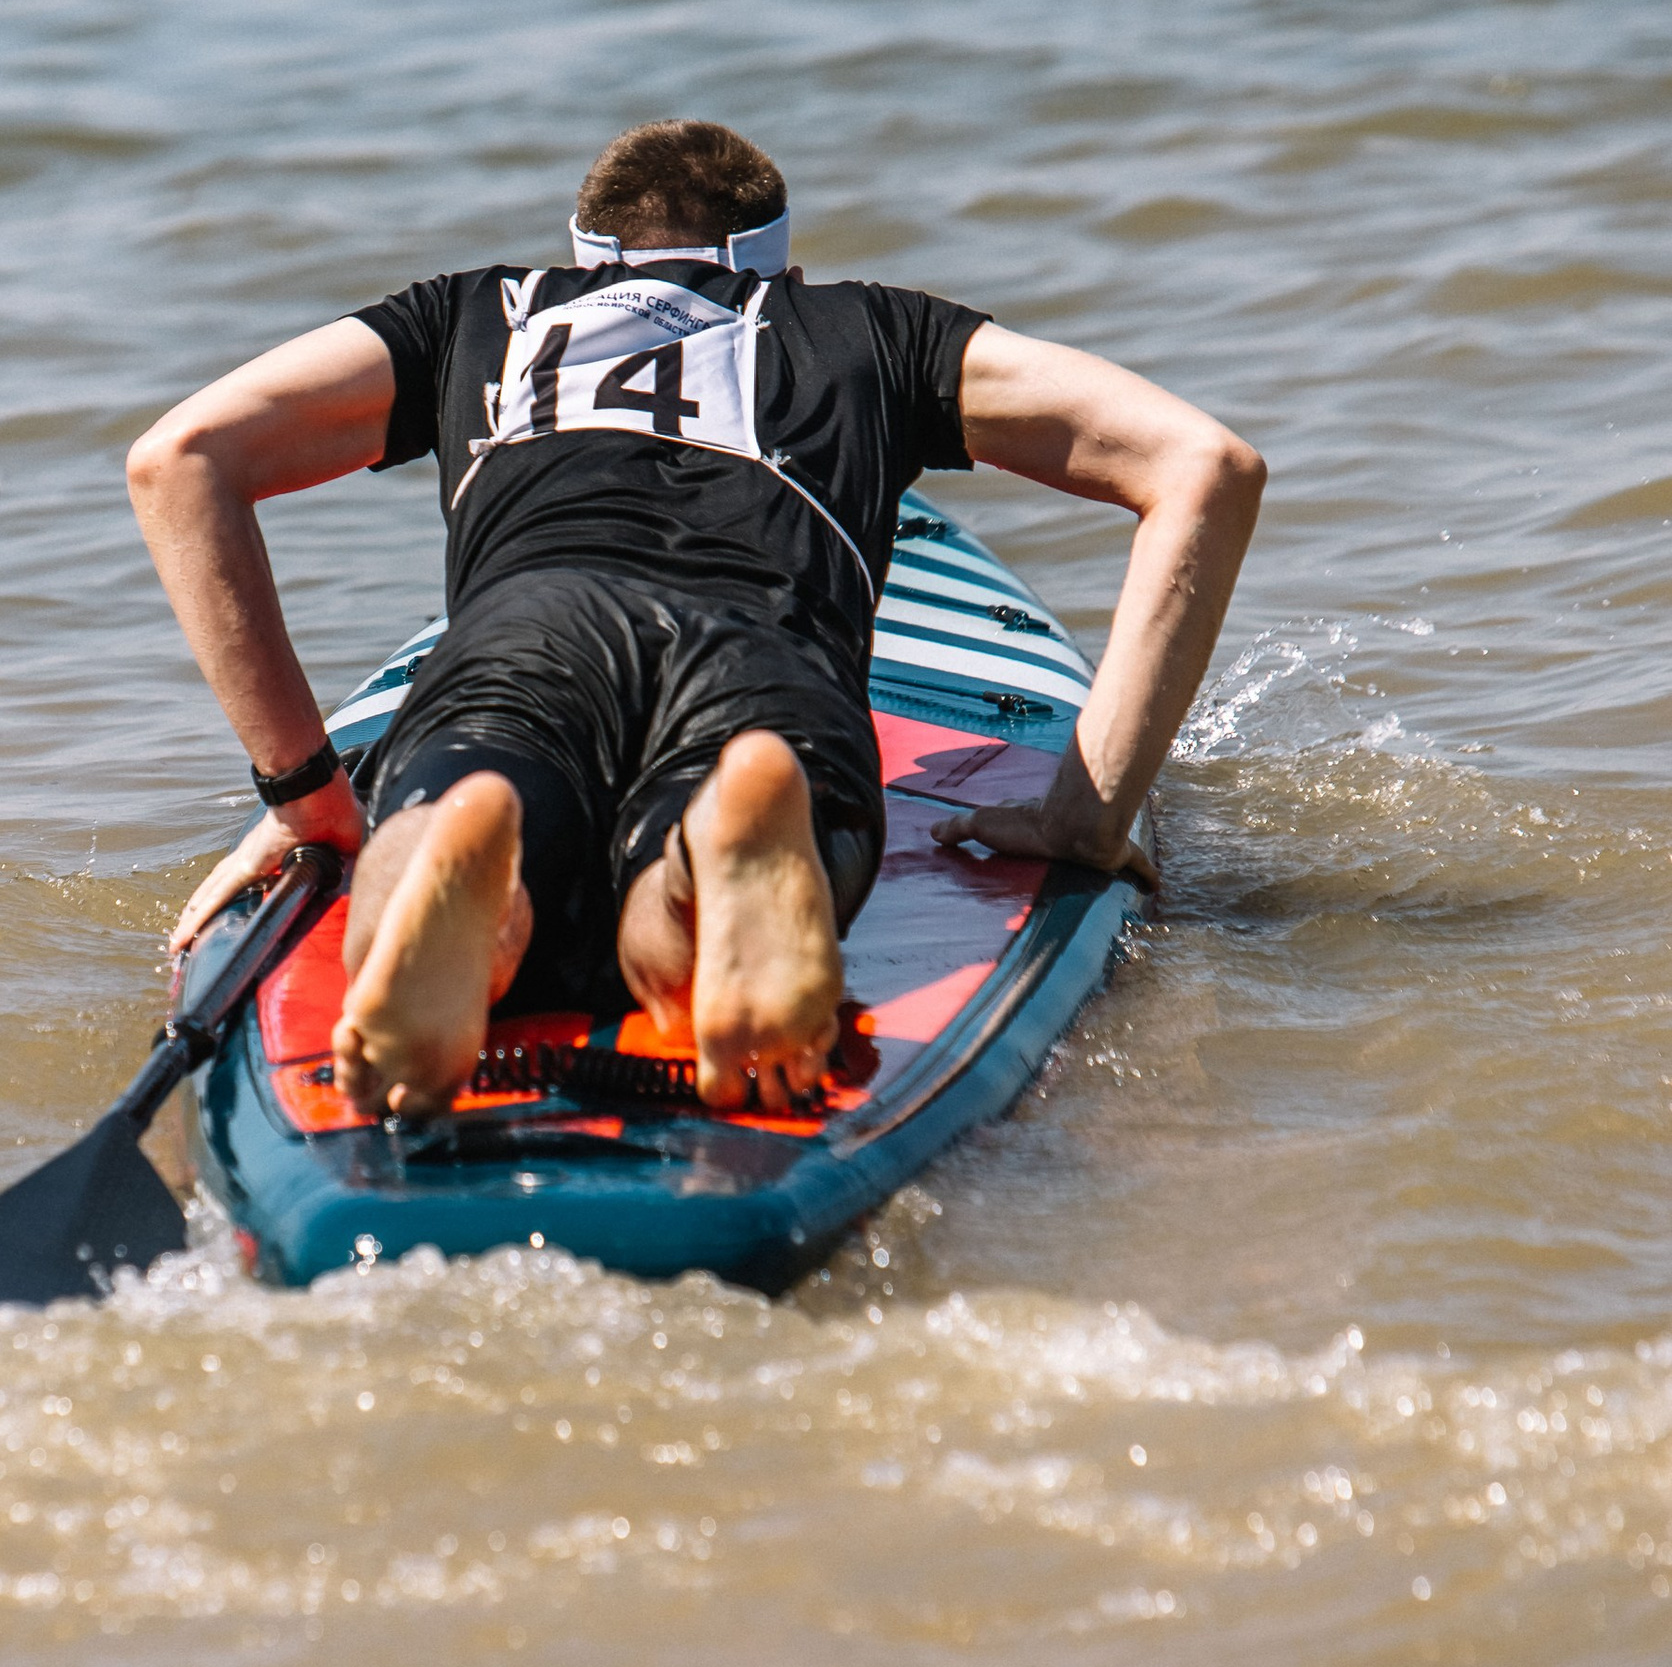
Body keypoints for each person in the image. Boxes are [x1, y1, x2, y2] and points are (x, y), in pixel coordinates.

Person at [128, 118, 1262, 1123]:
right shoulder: (872, 330)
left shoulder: (479, 311)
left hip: (528, 637)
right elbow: (1204, 464)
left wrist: (305, 796)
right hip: (764, 662)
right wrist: (1085, 820)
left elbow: (180, 457)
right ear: (782, 269)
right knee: (676, 914)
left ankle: (457, 851)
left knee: (468, 806)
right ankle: (716, 850)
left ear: (582, 256)